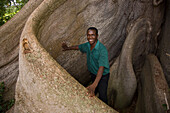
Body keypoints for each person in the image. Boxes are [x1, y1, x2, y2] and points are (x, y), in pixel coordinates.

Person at [62, 27, 110, 104]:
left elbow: (101, 68)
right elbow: (78, 47)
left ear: (97, 36)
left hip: (103, 76)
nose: (90, 37)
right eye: (88, 35)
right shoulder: (88, 45)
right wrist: (68, 48)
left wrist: (94, 84)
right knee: (94, 90)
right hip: (93, 73)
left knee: (103, 95)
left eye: (92, 35)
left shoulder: (102, 49)